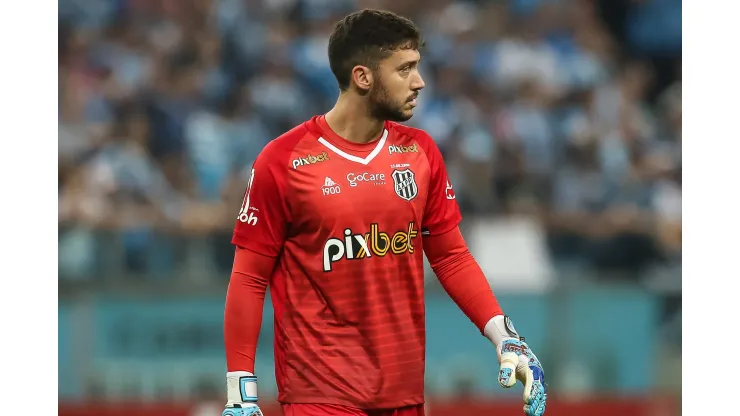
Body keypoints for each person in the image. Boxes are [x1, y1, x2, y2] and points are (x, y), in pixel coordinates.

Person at [222, 9, 547, 416]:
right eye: (405, 69)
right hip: (320, 396)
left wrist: (504, 335)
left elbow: (450, 256)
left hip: (403, 392)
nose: (419, 82)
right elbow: (249, 277)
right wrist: (240, 388)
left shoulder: (420, 152)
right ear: (363, 77)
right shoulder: (283, 160)